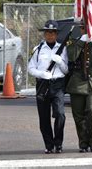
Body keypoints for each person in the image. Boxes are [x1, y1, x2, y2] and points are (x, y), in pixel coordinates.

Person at [28, 20, 68, 154]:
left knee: (60, 114)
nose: (50, 35)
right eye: (48, 33)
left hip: (57, 84)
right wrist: (41, 74)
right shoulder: (38, 49)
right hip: (43, 85)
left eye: (53, 33)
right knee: (44, 118)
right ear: (44, 34)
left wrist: (60, 61)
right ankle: (49, 145)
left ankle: (58, 143)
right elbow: (30, 68)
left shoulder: (63, 49)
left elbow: (66, 70)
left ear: (56, 34)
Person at [66, 22, 92, 153]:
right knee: (78, 115)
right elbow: (72, 57)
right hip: (77, 82)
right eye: (83, 28)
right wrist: (82, 41)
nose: (85, 30)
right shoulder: (73, 42)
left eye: (88, 27)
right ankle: (83, 143)